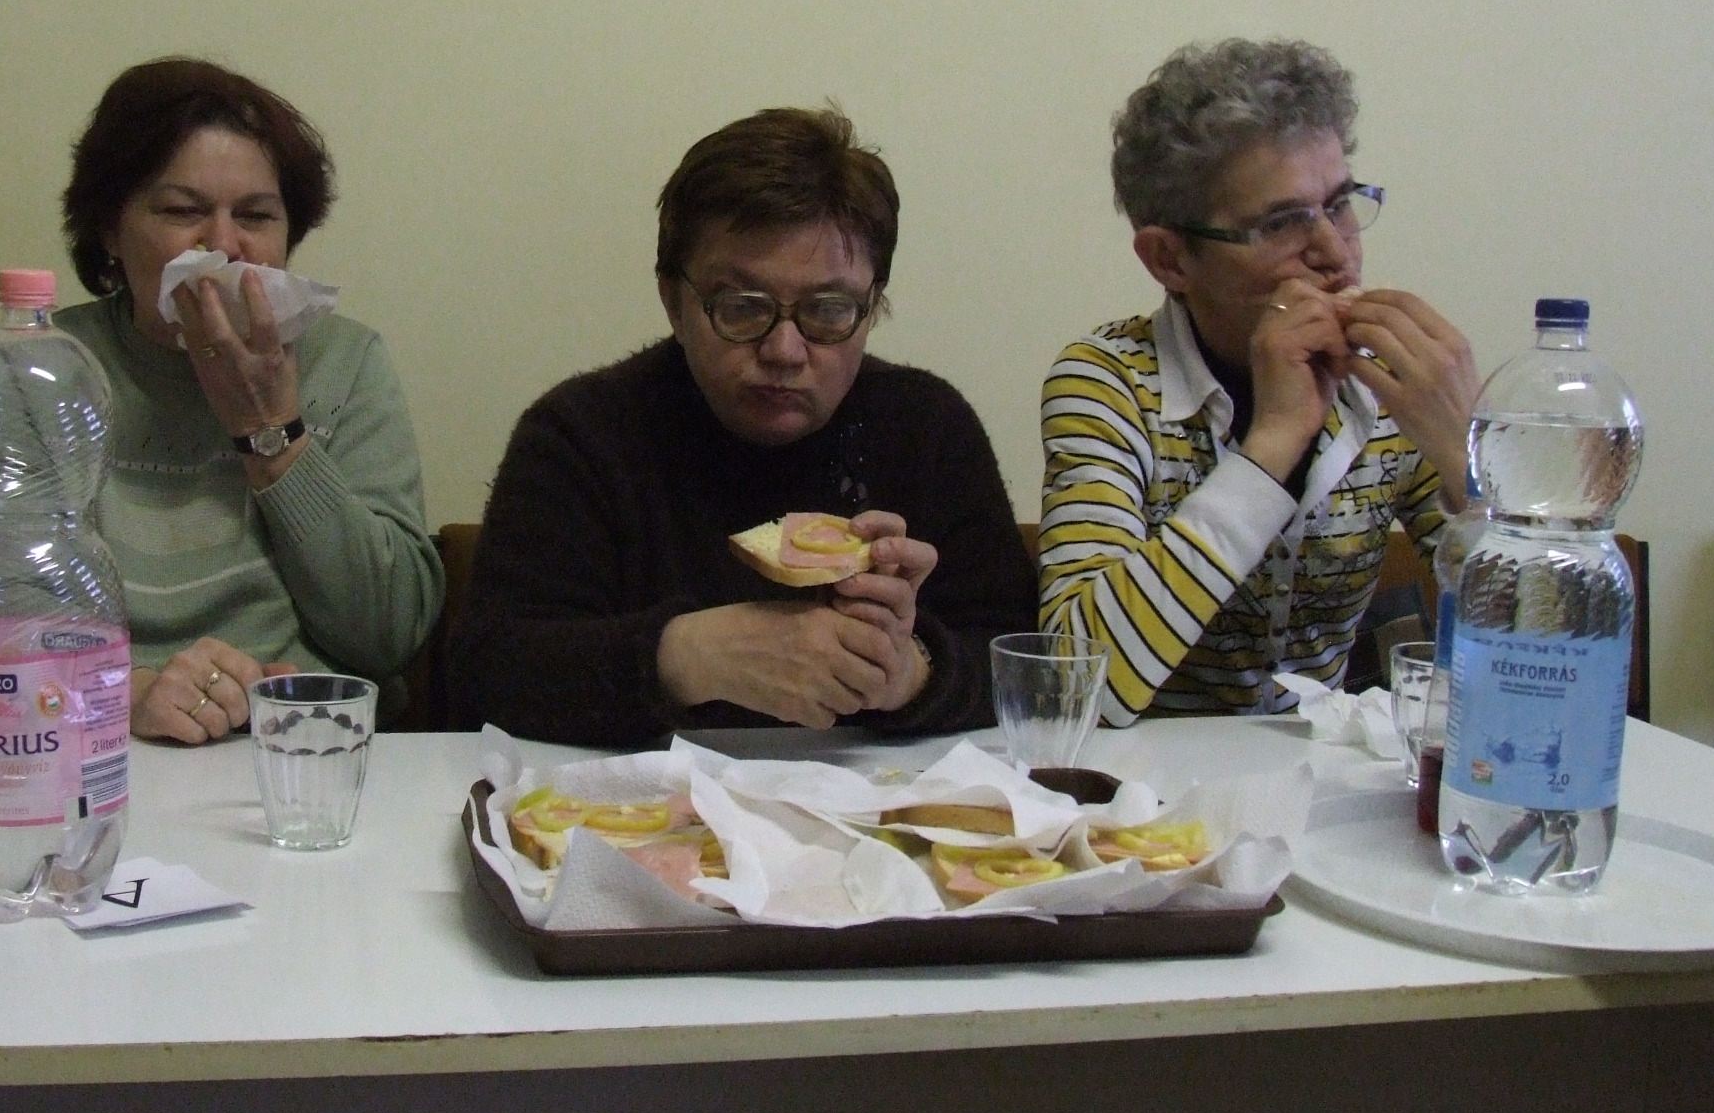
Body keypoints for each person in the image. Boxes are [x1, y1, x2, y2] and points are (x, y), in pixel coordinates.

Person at [451, 105, 1038, 748]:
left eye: (829, 310)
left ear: (873, 307)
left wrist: (909, 673)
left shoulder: (928, 429)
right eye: (741, 307)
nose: (784, 350)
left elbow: (1020, 660)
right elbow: (491, 669)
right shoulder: (581, 435)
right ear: (673, 301)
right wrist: (686, 655)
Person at [1038, 39, 1479, 722]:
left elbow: (1544, 656)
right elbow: (1076, 685)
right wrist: (1273, 443)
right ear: (1170, 259)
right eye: (1282, 223)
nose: (1335, 253)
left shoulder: (1387, 383)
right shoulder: (1110, 379)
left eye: (1340, 204)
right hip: (1144, 777)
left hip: (1324, 774)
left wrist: (1471, 466)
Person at [55, 57, 440, 740]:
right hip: (103, 747)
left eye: (256, 216)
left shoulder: (346, 362)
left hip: (311, 744)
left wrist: (271, 431)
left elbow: (390, 632)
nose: (224, 246)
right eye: (183, 212)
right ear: (111, 229)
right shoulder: (43, 370)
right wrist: (128, 694)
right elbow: (3, 621)